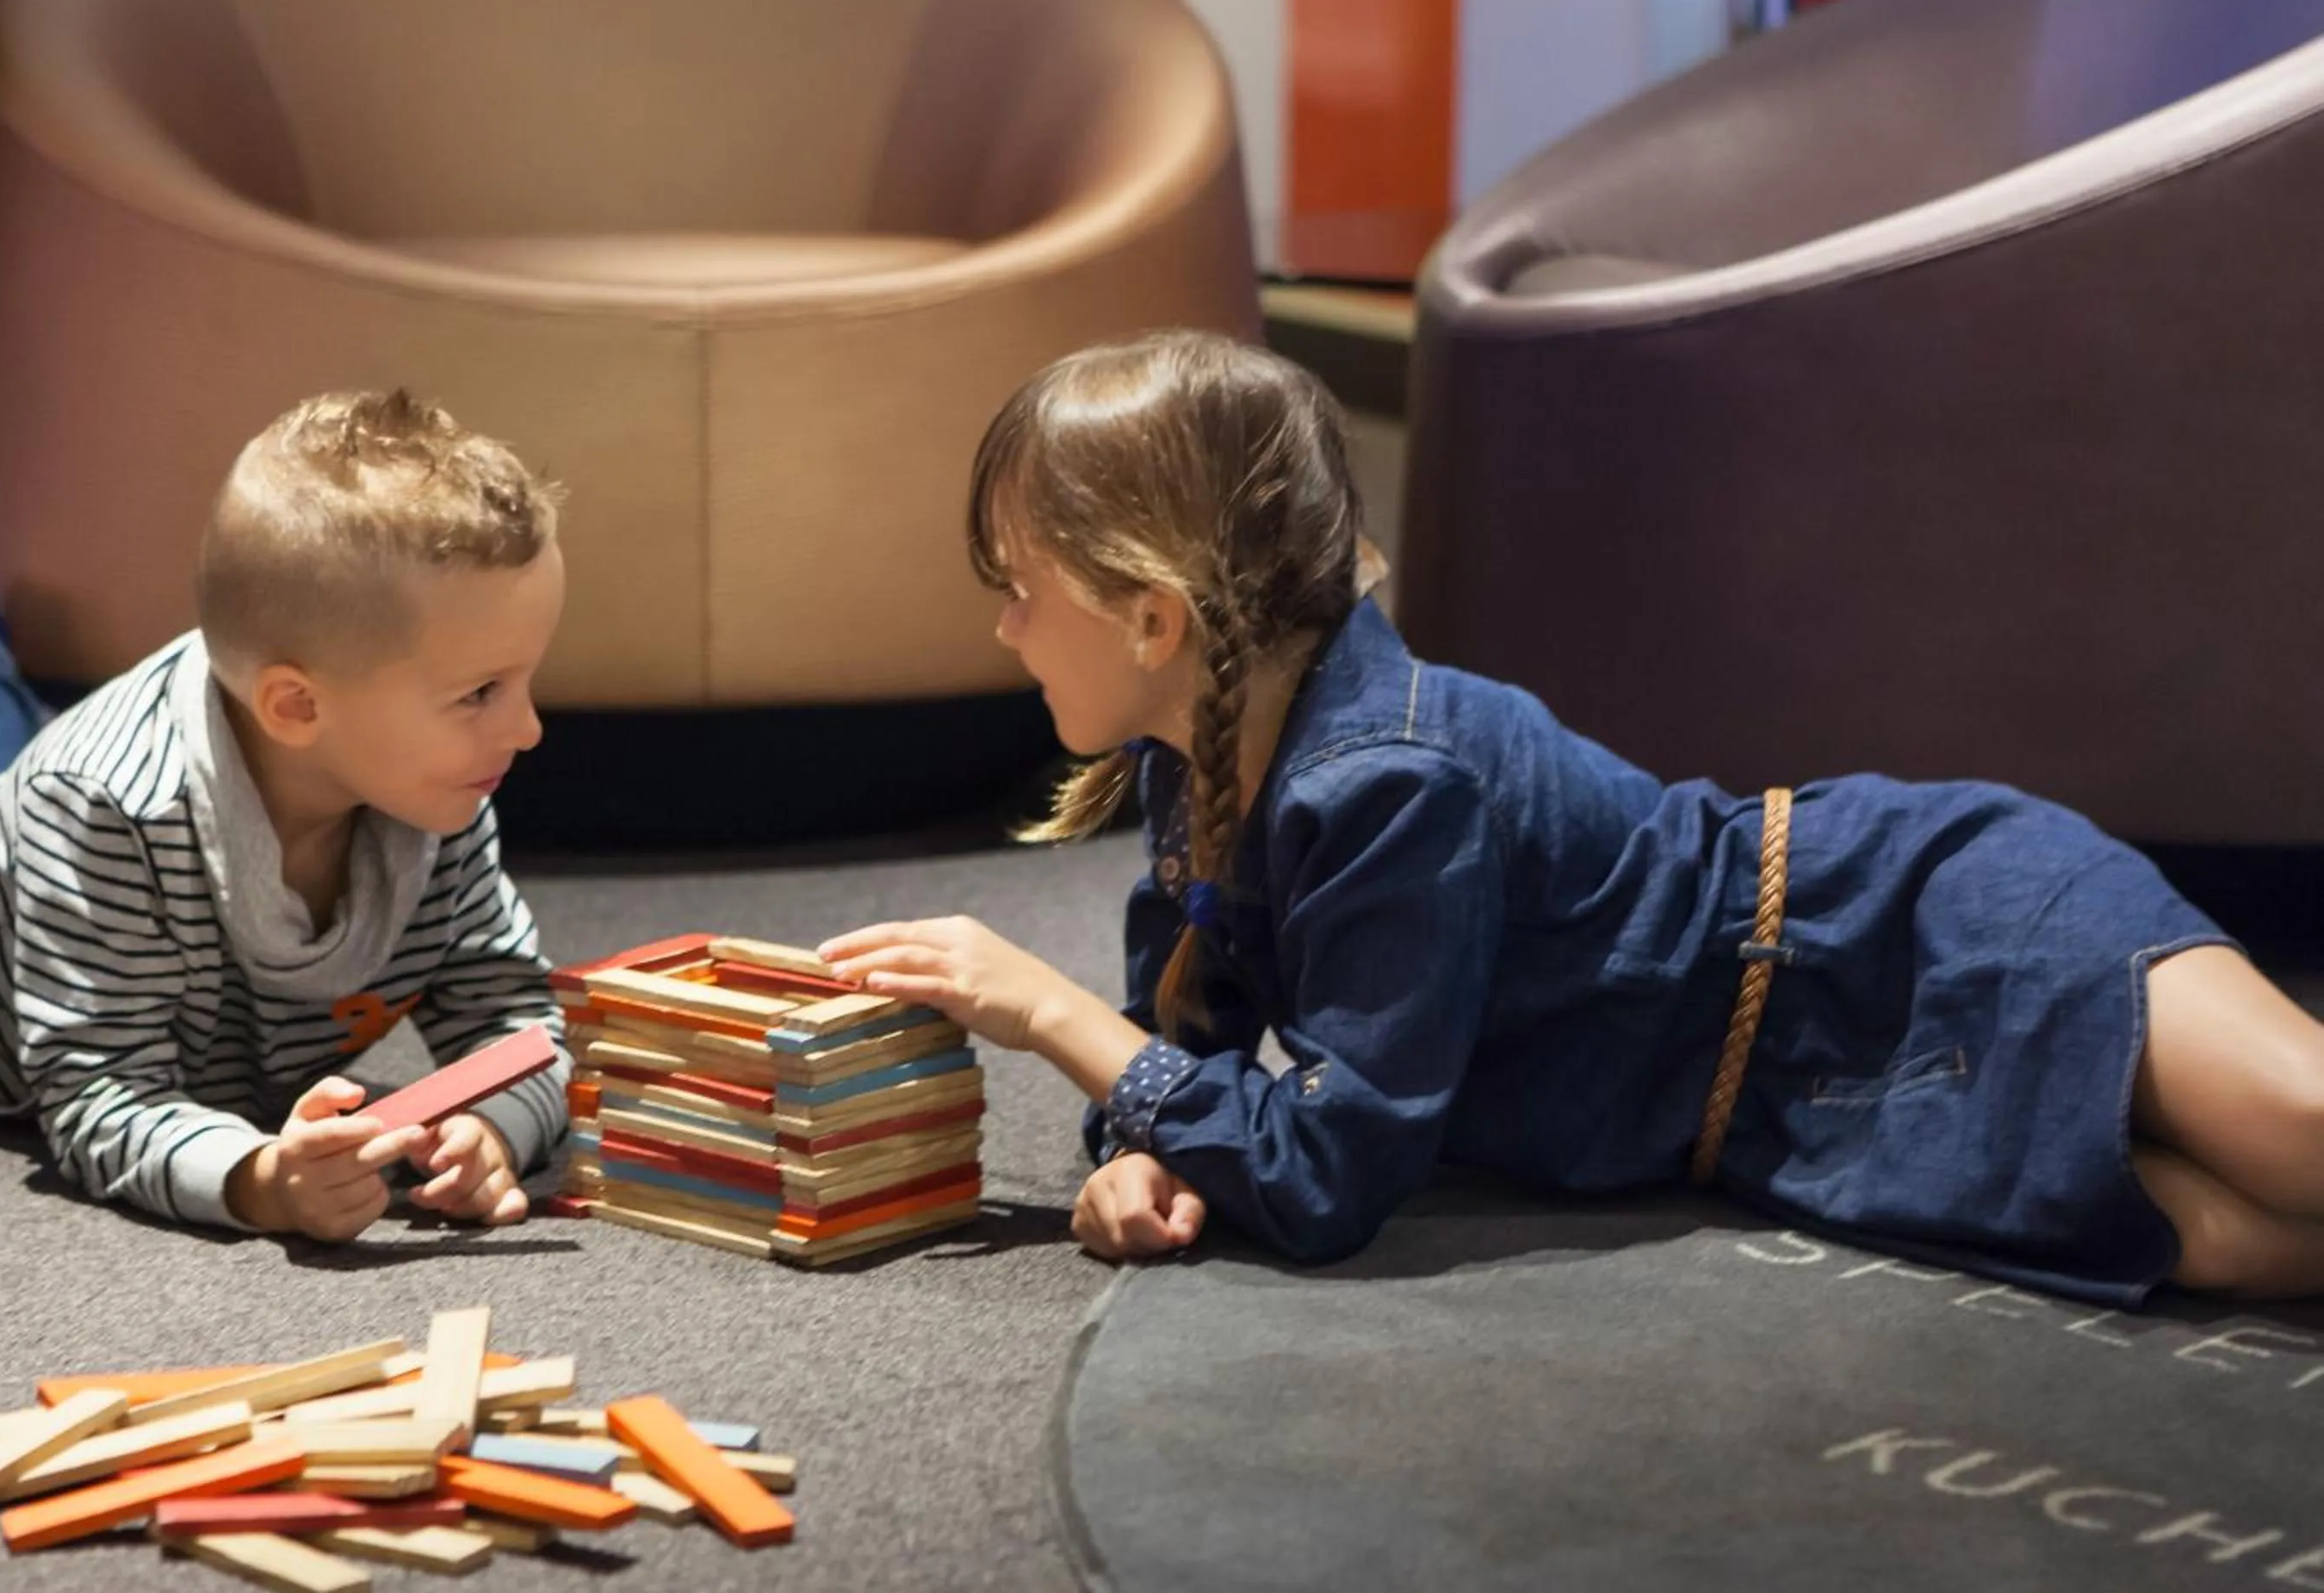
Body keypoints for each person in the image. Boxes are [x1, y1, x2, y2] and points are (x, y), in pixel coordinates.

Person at [821, 331, 2324, 1305]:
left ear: (1154, 619)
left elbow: (1331, 1173)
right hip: (1788, 1115)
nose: (1006, 630)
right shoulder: (1191, 762)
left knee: (2308, 1132)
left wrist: (1046, 1012)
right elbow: (1192, 1056)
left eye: (1018, 588)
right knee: (2239, 1245)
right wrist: (1139, 1152)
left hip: (1909, 918)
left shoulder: (1383, 779)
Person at [0, 390, 568, 1240]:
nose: (527, 728)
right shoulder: (99, 807)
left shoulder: (441, 786)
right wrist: (259, 1178)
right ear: (295, 706)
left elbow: (517, 1022)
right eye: (479, 693)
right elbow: (101, 1095)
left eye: (522, 679)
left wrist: (494, 1124)